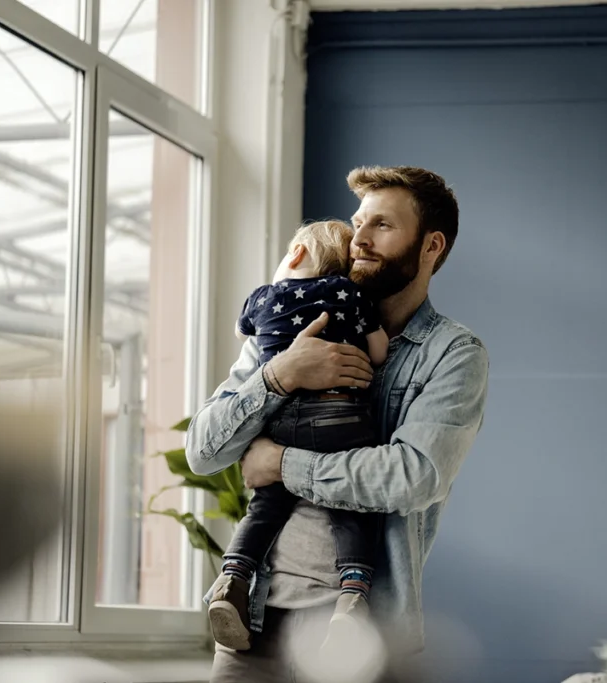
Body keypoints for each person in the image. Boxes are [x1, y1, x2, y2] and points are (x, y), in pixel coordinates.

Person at [185, 166, 489, 683]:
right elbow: (202, 451)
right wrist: (282, 373)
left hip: (358, 638)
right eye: (358, 222)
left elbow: (412, 477)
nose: (359, 240)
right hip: (250, 621)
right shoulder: (289, 326)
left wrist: (281, 463)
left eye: (382, 226)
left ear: (431, 245)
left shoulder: (453, 354)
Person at [207, 219, 389, 654]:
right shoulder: (353, 295)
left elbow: (244, 333)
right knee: (350, 506)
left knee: (266, 506)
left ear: (295, 254)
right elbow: (379, 351)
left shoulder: (260, 298)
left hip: (284, 420)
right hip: (341, 417)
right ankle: (353, 595)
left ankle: (233, 578)